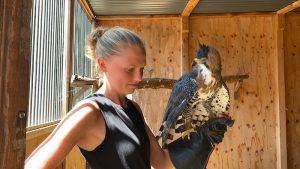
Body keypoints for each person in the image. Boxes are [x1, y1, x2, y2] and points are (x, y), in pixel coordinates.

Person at [25, 26, 233, 169]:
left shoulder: (133, 108)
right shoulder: (90, 112)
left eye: (142, 68)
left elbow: (160, 162)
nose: (138, 77)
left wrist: (203, 138)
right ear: (103, 65)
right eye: (129, 69)